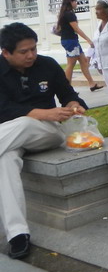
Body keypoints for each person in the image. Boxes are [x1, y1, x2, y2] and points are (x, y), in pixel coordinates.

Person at [0, 22, 88, 259]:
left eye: (33, 49)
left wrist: (74, 106)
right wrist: (42, 113)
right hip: (9, 138)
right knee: (4, 161)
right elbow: (3, 109)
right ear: (5, 52)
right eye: (24, 51)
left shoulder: (47, 65)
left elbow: (68, 95)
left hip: (47, 133)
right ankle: (17, 234)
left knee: (26, 123)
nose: (31, 55)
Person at [55, 0, 103, 91]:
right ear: (70, 2)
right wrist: (88, 40)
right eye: (75, 1)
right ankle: (67, 89)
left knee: (83, 61)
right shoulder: (69, 14)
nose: (76, 3)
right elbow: (76, 29)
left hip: (70, 41)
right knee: (71, 64)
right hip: (71, 41)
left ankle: (92, 84)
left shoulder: (65, 13)